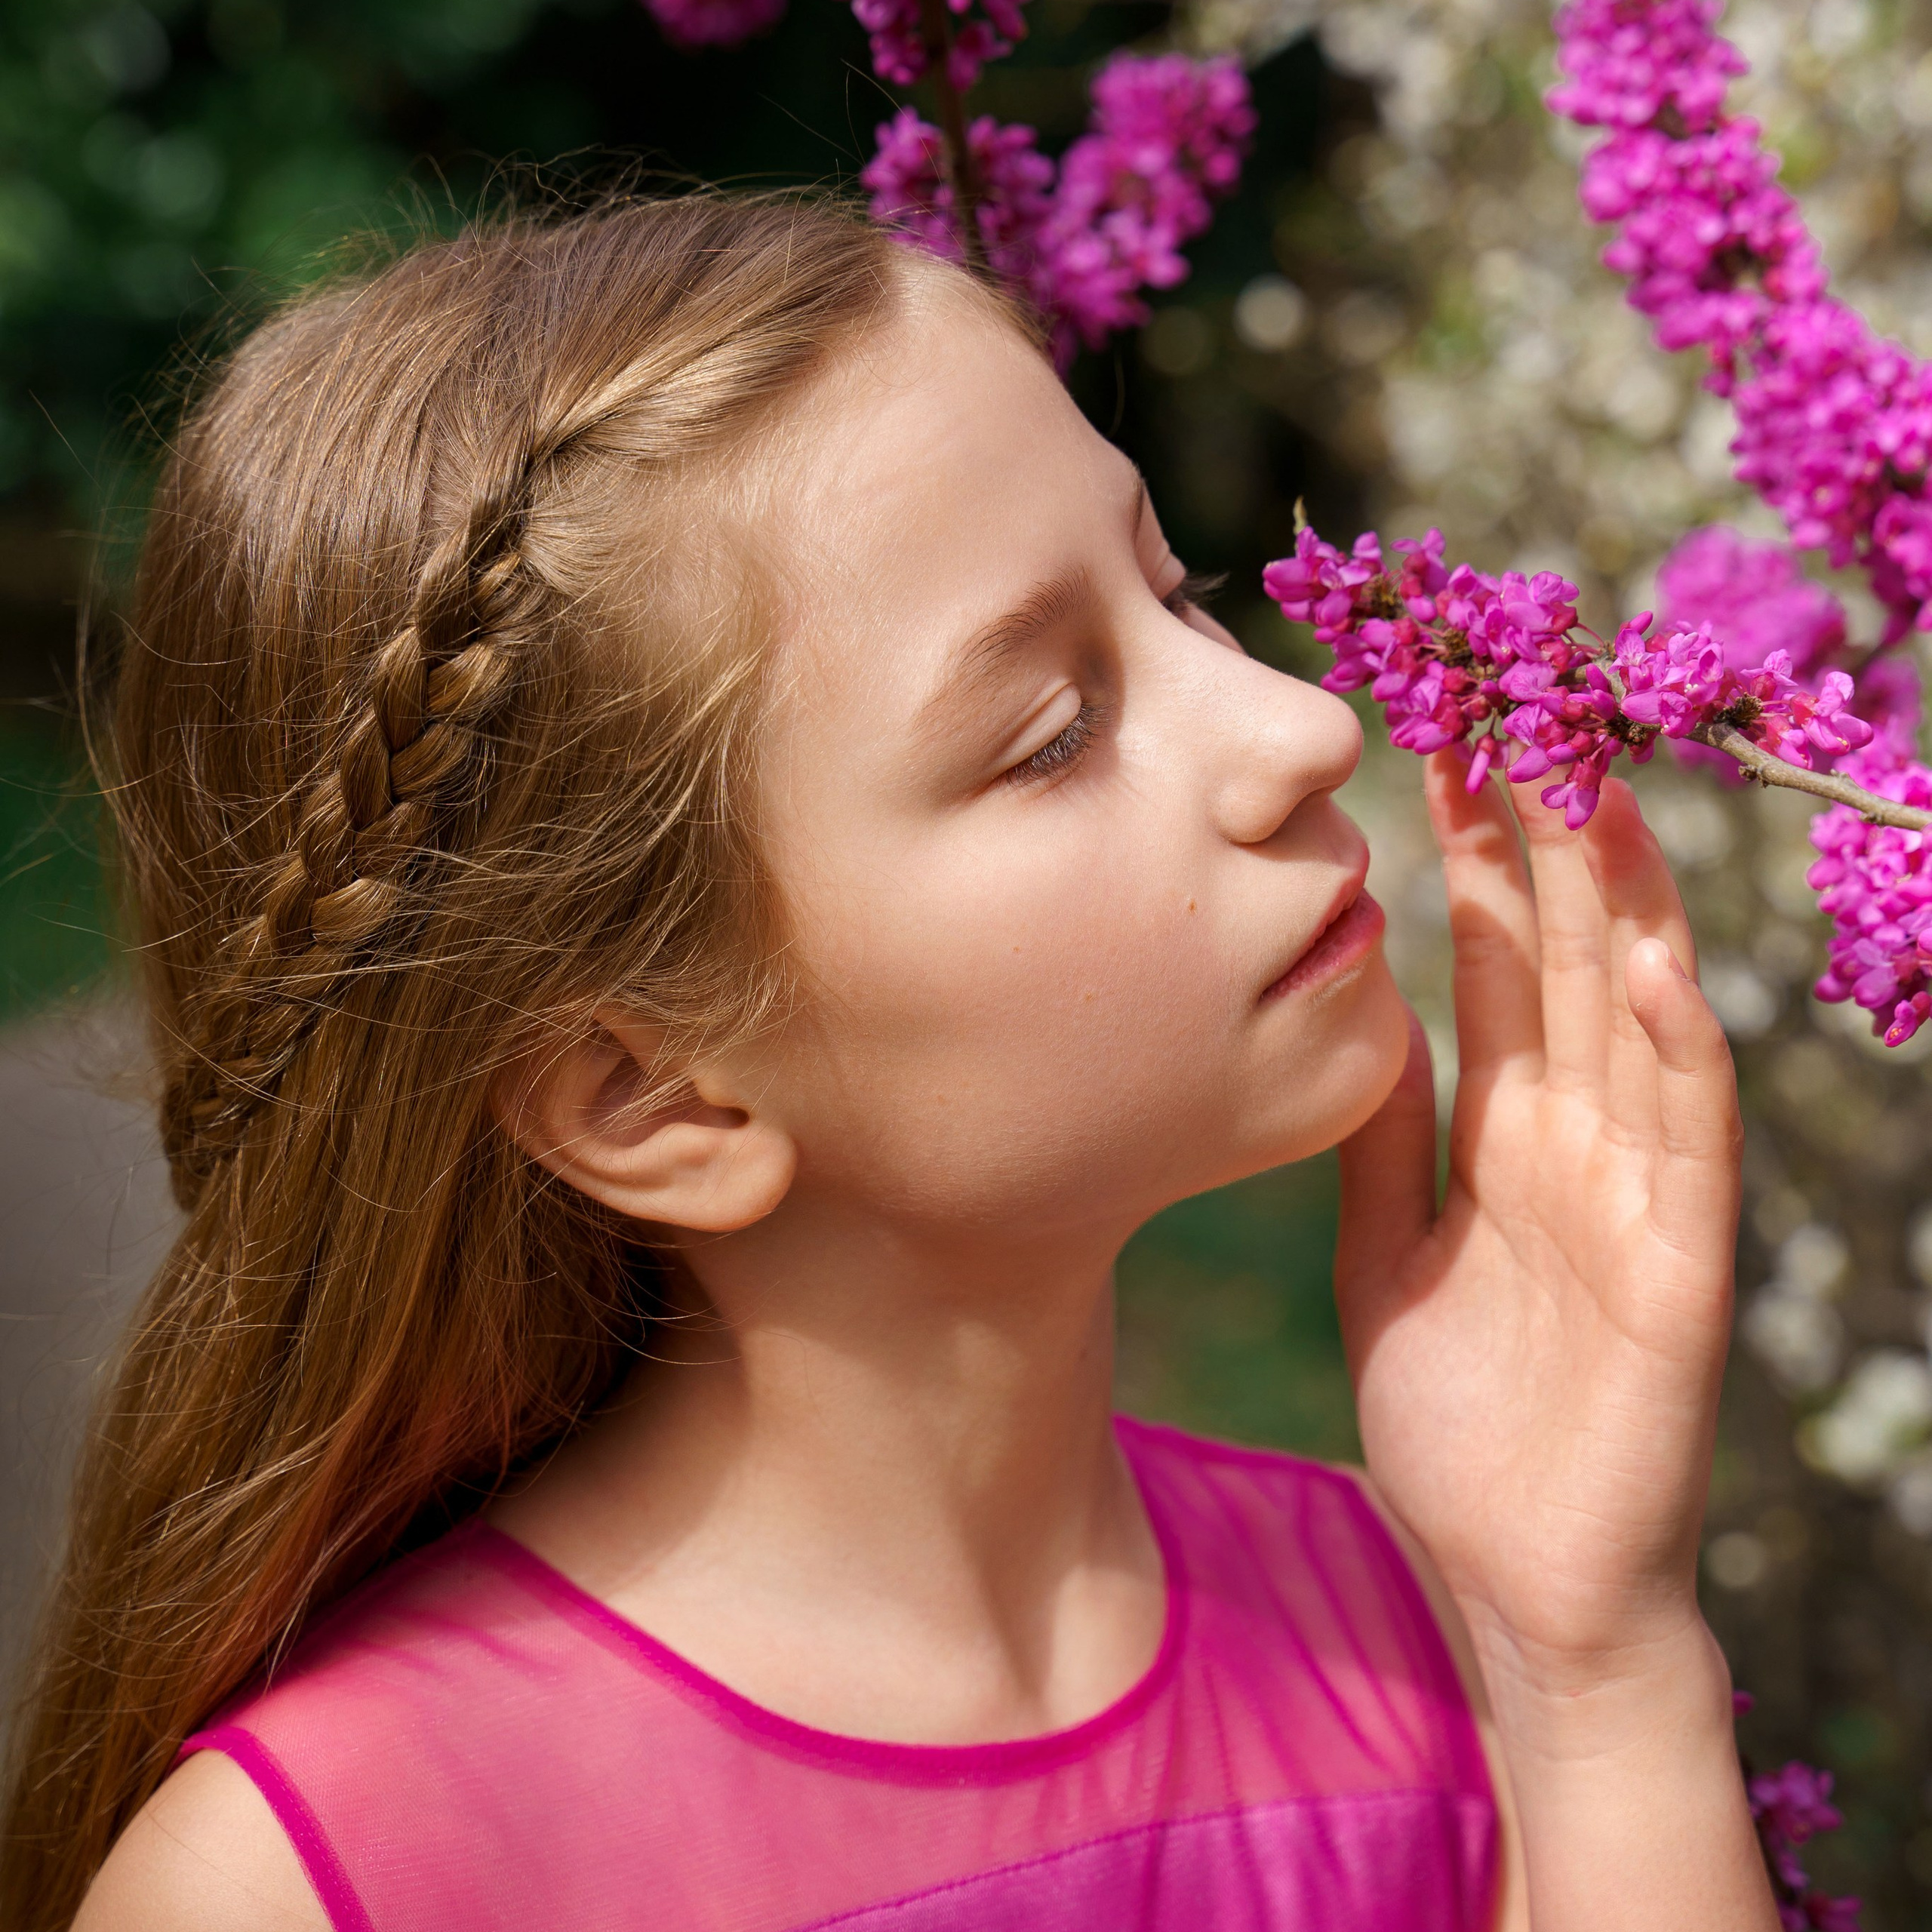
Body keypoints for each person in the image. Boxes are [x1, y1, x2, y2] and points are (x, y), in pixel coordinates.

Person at [1, 194, 1775, 1931]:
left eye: (1180, 589)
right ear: (655, 1093)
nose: (1303, 723)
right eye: (1051, 734)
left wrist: (1593, 1661)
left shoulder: (1429, 1637)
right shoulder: (326, 1879)